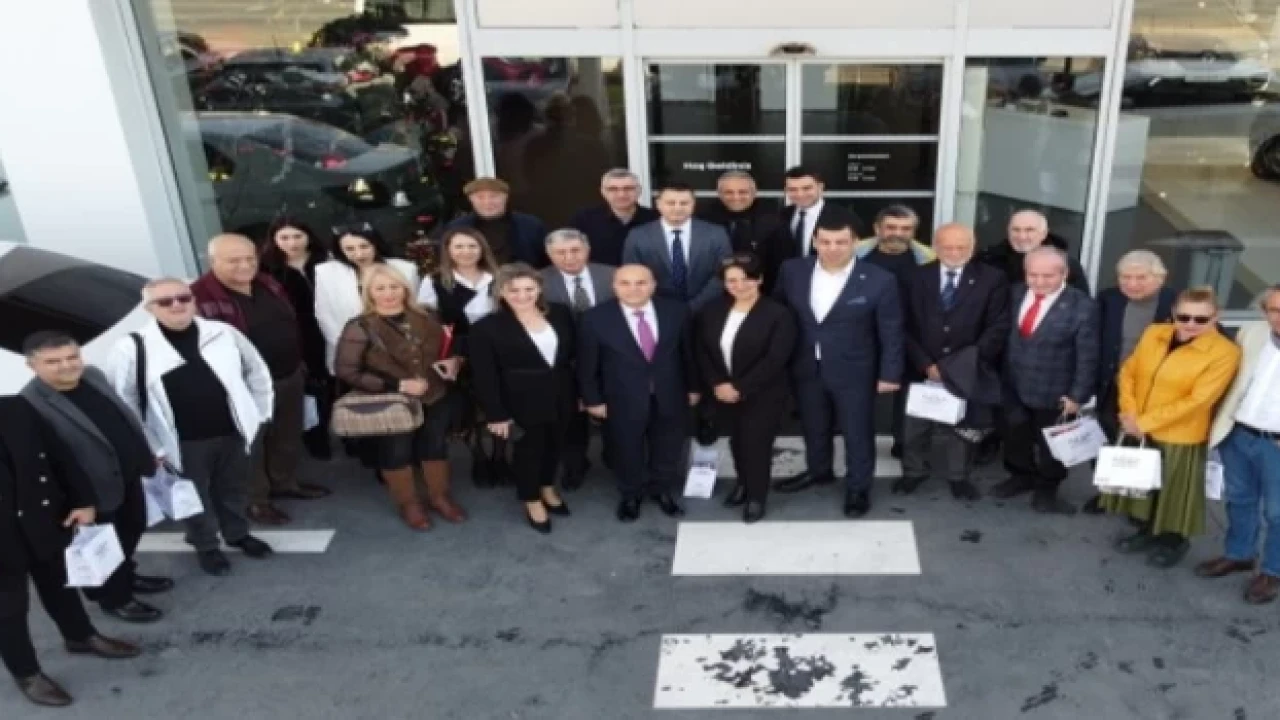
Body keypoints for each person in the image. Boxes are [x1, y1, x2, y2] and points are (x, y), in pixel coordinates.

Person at [104, 278, 276, 576]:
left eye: (183, 298)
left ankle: (237, 534)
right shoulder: (131, 347)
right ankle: (206, 545)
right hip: (181, 442)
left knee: (233, 488)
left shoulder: (223, 333)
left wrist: (260, 414)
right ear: (149, 308)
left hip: (233, 432)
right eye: (165, 301)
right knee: (192, 498)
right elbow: (123, 401)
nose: (177, 305)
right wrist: (151, 444)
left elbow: (256, 370)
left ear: (194, 300)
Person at [0, 396, 140, 708]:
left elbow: (60, 457)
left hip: (41, 519)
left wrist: (83, 501)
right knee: (8, 608)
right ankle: (27, 673)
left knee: (60, 585)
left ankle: (80, 636)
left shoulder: (16, 407)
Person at [21, 333, 171, 624]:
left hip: (127, 476)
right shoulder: (30, 404)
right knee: (102, 547)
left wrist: (145, 453)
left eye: (72, 357)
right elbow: (48, 464)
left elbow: (121, 418)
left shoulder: (92, 375)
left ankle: (126, 576)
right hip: (89, 492)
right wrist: (79, 501)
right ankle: (114, 598)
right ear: (32, 366)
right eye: (53, 361)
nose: (67, 365)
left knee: (132, 529)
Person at [190, 234, 331, 527]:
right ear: (212, 261)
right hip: (244, 385)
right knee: (251, 445)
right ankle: (256, 500)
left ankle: (284, 482)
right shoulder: (198, 297)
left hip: (288, 373)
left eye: (250, 258)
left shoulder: (267, 282)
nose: (245, 265)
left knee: (287, 435)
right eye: (234, 260)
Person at [771, 217, 904, 518]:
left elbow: (891, 330)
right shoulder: (792, 271)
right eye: (826, 242)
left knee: (857, 431)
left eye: (841, 242)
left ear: (855, 242)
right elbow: (779, 314)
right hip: (805, 365)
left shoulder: (879, 279)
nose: (833, 248)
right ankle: (819, 471)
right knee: (813, 424)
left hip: (855, 369)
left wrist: (890, 373)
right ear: (815, 242)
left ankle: (858, 487)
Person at [1101, 287, 1240, 568]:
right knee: (1144, 486)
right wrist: (1129, 413)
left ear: (1216, 316)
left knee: (1174, 494)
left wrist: (1144, 422)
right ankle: (1147, 531)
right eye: (1183, 316)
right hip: (1138, 425)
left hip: (1180, 434)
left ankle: (1173, 541)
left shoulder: (1225, 352)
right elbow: (1128, 372)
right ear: (1174, 313)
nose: (1190, 324)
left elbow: (1199, 400)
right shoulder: (1155, 333)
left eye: (1201, 319)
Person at [334, 264, 467, 531]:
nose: (388, 293)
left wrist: (455, 361)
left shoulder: (429, 315)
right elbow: (346, 370)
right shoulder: (360, 326)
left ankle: (439, 496)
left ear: (405, 289)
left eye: (394, 286)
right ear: (369, 293)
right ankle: (409, 504)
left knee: (435, 445)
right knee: (397, 450)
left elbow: (451, 346)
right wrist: (399, 384)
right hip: (393, 401)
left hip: (435, 394)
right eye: (380, 288)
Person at [898, 223, 1010, 501]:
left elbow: (997, 326)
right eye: (947, 246)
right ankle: (913, 471)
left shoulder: (992, 279)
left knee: (961, 426)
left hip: (967, 367)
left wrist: (959, 365)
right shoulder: (914, 277)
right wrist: (925, 363)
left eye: (962, 247)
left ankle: (958, 476)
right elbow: (902, 324)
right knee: (915, 426)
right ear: (935, 247)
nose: (955, 252)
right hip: (922, 367)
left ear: (972, 247)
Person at [578, 264, 698, 522]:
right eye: (625, 283)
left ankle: (661, 490)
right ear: (614, 286)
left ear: (653, 285)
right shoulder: (594, 318)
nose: (633, 289)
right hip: (620, 397)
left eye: (641, 283)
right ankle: (631, 494)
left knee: (668, 446)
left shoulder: (676, 311)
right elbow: (588, 364)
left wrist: (693, 387)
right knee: (626, 448)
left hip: (670, 393)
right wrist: (593, 399)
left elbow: (688, 353)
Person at [468, 264, 576, 533]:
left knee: (555, 445)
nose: (522, 295)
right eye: (513, 290)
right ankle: (531, 499)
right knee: (529, 451)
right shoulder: (486, 327)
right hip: (519, 399)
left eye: (529, 288)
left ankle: (547, 487)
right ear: (501, 292)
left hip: (561, 393)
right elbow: (484, 375)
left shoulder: (560, 313)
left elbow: (573, 355)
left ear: (539, 289)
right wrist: (496, 414)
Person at [992, 247, 1099, 515]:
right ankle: (1021, 476)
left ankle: (1047, 490)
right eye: (1033, 275)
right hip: (1013, 384)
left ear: (1065, 273)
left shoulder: (1083, 306)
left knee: (1053, 447)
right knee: (1014, 436)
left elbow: (1087, 356)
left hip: (1056, 391)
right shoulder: (1014, 293)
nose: (1039, 282)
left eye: (1048, 276)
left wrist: (1078, 396)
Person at [693, 254, 796, 523]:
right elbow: (702, 351)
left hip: (763, 392)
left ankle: (756, 497)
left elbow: (775, 358)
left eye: (747, 278)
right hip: (722, 391)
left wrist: (739, 387)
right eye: (732, 280)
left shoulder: (778, 314)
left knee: (756, 445)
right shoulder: (712, 310)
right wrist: (717, 383)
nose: (739, 285)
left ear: (759, 279)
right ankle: (743, 484)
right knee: (737, 441)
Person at [1197, 285, 1280, 604]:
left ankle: (1273, 571)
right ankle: (1240, 554)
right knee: (1239, 499)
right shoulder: (1251, 333)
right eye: (1274, 310)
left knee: (1277, 513)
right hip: (1239, 433)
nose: (1279, 317)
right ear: (1264, 311)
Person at [1082, 250, 1175, 514]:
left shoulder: (1176, 303)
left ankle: (1142, 502)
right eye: (1125, 277)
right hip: (1113, 385)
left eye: (1141, 277)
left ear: (1160, 278)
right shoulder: (1108, 299)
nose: (1132, 284)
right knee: (1107, 440)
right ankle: (1108, 494)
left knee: (1148, 447)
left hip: (1155, 391)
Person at [417, 227, 503, 486]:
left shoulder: (499, 277)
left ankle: (500, 457)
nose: (466, 252)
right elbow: (427, 321)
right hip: (458, 351)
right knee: (467, 408)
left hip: (497, 349)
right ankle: (478, 457)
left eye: (472, 246)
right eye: (459, 246)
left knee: (499, 402)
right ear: (448, 250)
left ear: (482, 249)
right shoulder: (435, 280)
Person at [854, 205, 937, 458]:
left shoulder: (929, 259)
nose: (897, 233)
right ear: (877, 229)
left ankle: (903, 442)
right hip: (864, 334)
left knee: (908, 395)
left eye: (905, 228)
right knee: (860, 394)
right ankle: (860, 442)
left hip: (911, 336)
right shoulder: (855, 255)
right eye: (891, 227)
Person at [539, 228, 616, 489]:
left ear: (587, 250)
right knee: (570, 417)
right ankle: (575, 464)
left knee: (613, 410)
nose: (569, 257)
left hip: (609, 358)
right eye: (560, 252)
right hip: (563, 361)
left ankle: (614, 456)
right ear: (549, 255)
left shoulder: (612, 275)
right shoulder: (538, 281)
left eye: (575, 250)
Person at [258, 217, 334, 460]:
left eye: (297, 236)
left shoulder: (327, 260)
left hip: (332, 329)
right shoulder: (266, 270)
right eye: (284, 237)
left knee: (337, 383)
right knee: (310, 389)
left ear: (308, 236)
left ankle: (351, 434)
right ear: (274, 240)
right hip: (297, 334)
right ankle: (316, 438)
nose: (292, 243)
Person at [314, 224, 421, 375]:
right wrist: (348, 345)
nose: (359, 254)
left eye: (364, 246)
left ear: (375, 244)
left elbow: (413, 307)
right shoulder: (326, 272)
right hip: (349, 351)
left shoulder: (405, 269)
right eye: (349, 249)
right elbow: (324, 313)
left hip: (397, 349)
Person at [622, 182, 732, 311]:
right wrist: (664, 308)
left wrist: (693, 307)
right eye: (671, 203)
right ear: (658, 204)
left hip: (706, 309)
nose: (678, 208)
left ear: (693, 204)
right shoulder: (638, 236)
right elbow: (633, 274)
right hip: (657, 310)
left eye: (684, 203)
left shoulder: (716, 233)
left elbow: (723, 273)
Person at [770, 166, 862, 281]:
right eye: (792, 189)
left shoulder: (844, 217)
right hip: (788, 282)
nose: (800, 194)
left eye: (807, 188)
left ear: (820, 187)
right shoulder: (780, 216)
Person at [697, 171, 782, 287]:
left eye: (743, 192)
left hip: (759, 290)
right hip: (714, 290)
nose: (736, 197)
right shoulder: (704, 219)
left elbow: (781, 266)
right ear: (719, 194)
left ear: (754, 192)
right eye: (729, 192)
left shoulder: (774, 222)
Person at [976, 209, 1090, 293]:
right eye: (1016, 230)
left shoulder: (1066, 264)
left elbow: (1080, 306)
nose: (1022, 236)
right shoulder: (989, 260)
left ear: (1044, 233)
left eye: (1029, 230)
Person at [445, 177, 549, 267]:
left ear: (505, 197)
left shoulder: (530, 225)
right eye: (480, 197)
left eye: (494, 196)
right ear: (471, 199)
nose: (487, 202)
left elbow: (545, 261)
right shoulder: (457, 227)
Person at [570, 169, 659, 267]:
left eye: (628, 188)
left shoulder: (656, 219)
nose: (621, 195)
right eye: (613, 189)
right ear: (603, 192)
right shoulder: (584, 219)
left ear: (639, 191)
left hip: (645, 276)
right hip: (601, 276)